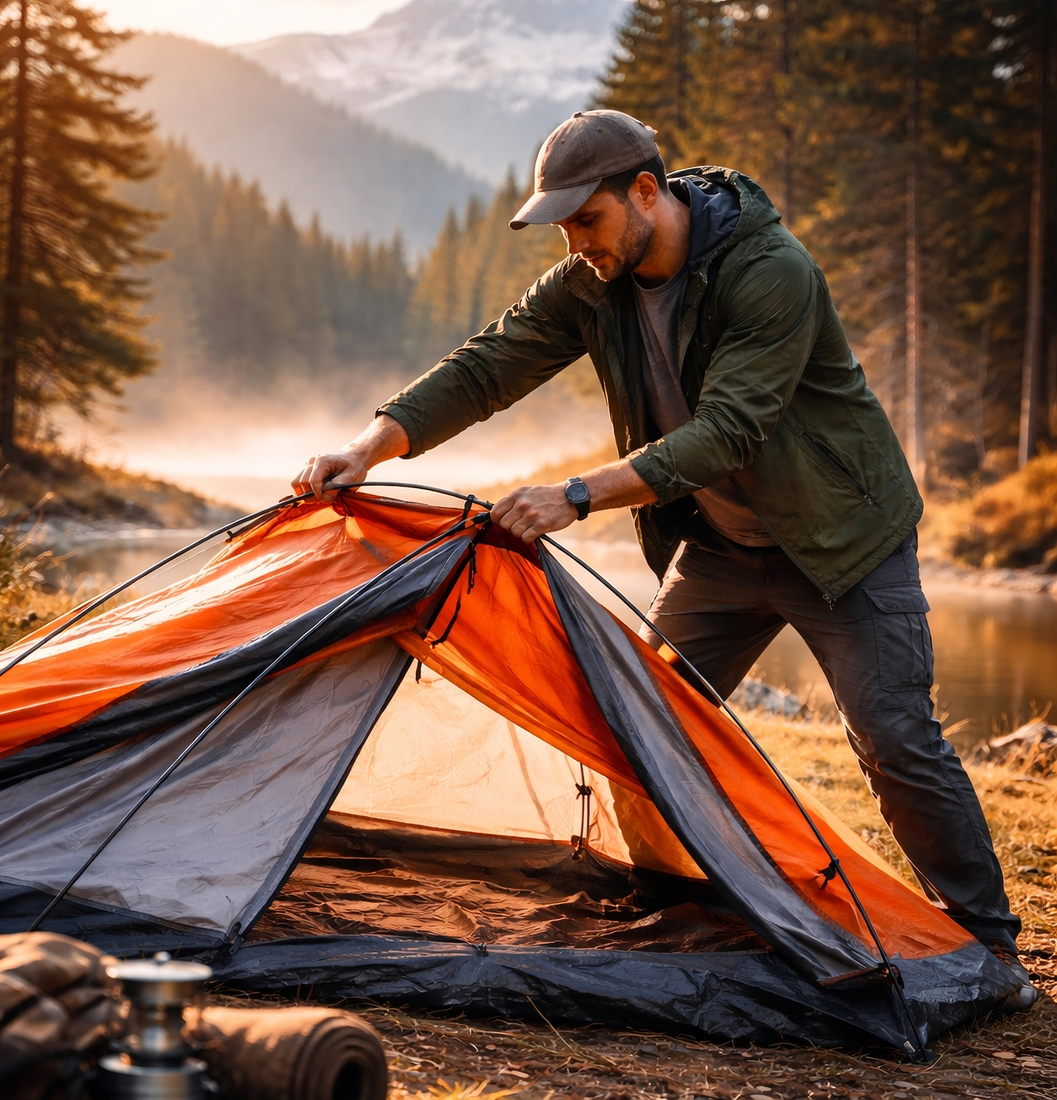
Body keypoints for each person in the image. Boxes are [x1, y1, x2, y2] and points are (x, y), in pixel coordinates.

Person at [293, 110, 1035, 1011]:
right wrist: (370, 449)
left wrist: (575, 495)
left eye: (586, 219)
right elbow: (487, 365)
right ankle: (677, 894)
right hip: (720, 550)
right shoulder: (592, 280)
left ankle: (989, 948)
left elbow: (729, 432)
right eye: (561, 226)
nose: (574, 242)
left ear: (646, 191)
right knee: (639, 720)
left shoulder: (771, 273)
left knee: (892, 737)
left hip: (843, 541)